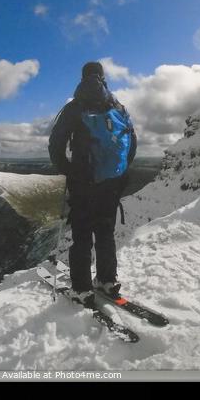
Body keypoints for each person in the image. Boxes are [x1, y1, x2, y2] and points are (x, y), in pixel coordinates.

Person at [48, 61, 137, 307]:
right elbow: (132, 143)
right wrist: (119, 172)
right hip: (112, 183)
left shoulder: (74, 108)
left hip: (84, 182)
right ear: (103, 77)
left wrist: (68, 170)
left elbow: (56, 144)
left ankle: (82, 289)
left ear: (83, 77)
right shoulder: (117, 107)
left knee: (82, 235)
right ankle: (107, 281)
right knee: (105, 233)